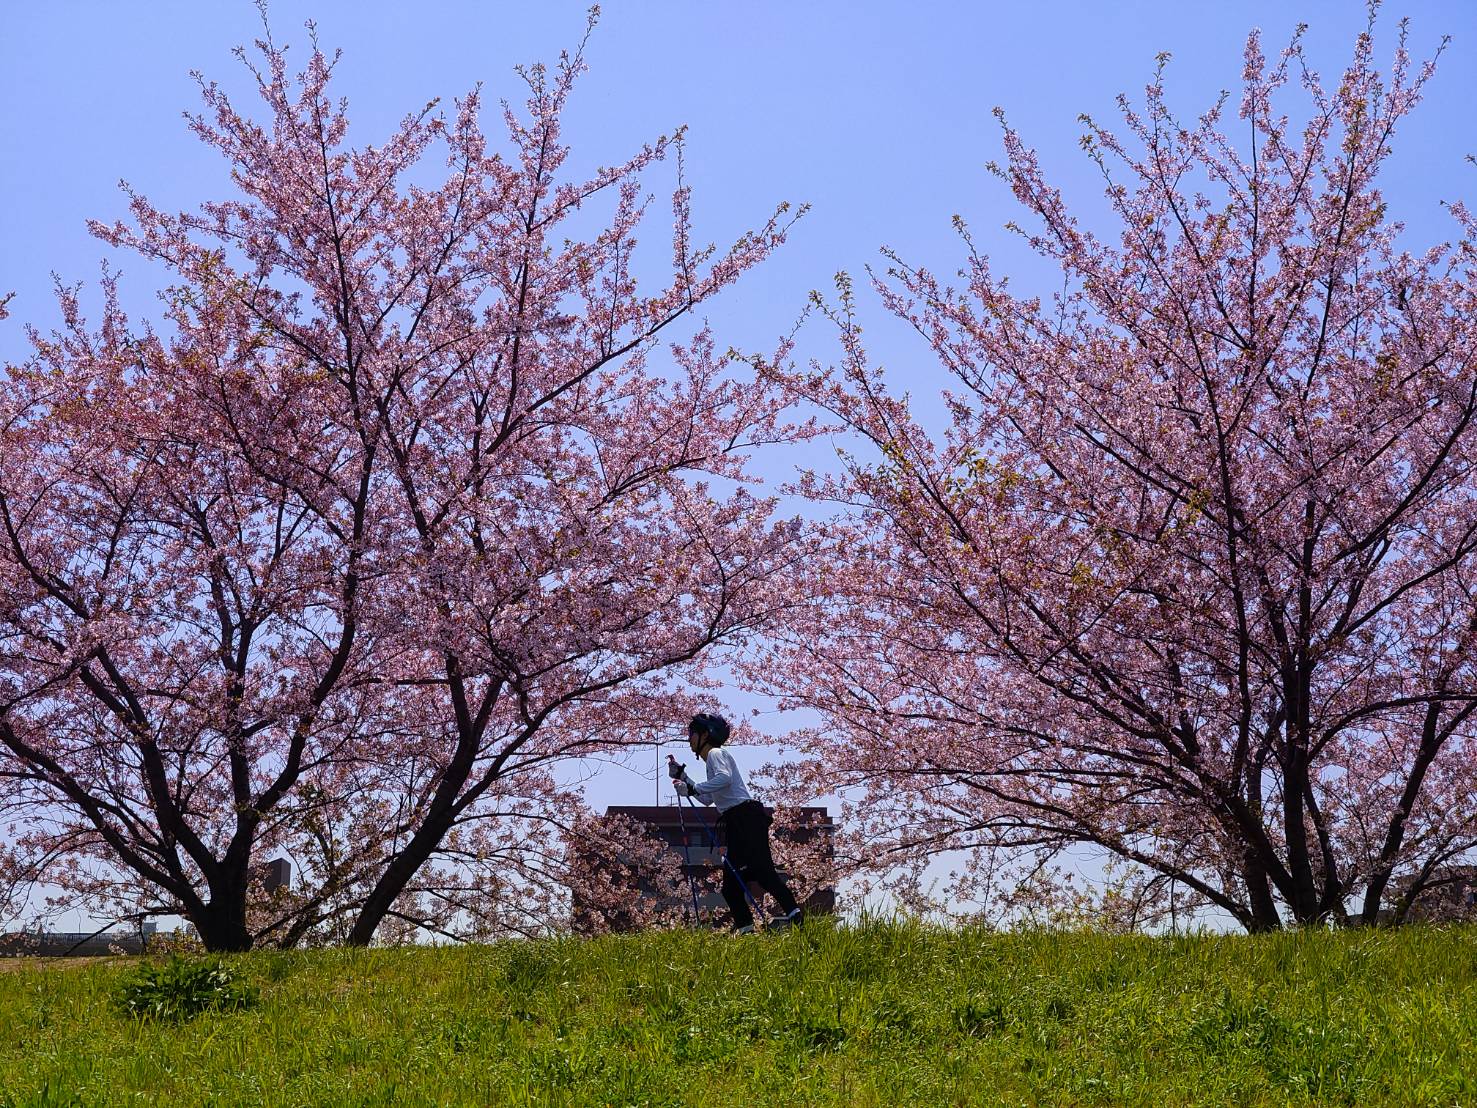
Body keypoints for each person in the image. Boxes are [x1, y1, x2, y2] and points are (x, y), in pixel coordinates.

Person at [672, 712, 803, 934]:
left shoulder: (715, 753)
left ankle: (799, 922)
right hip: (737, 821)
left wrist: (693, 788)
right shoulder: (711, 759)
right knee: (732, 887)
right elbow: (706, 799)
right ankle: (748, 933)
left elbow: (725, 778)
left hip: (745, 819)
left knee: (763, 874)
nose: (689, 739)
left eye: (692, 733)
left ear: (706, 734)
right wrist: (684, 779)